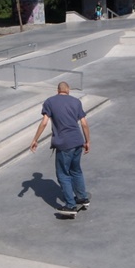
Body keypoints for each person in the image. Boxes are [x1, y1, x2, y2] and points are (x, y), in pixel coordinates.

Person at [30, 82, 91, 215]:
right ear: (68, 90)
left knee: (63, 174)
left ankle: (70, 205)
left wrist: (35, 139)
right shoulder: (76, 102)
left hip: (64, 144)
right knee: (76, 170)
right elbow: (84, 124)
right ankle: (82, 198)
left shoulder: (50, 102)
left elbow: (44, 122)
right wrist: (87, 141)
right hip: (77, 141)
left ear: (58, 90)